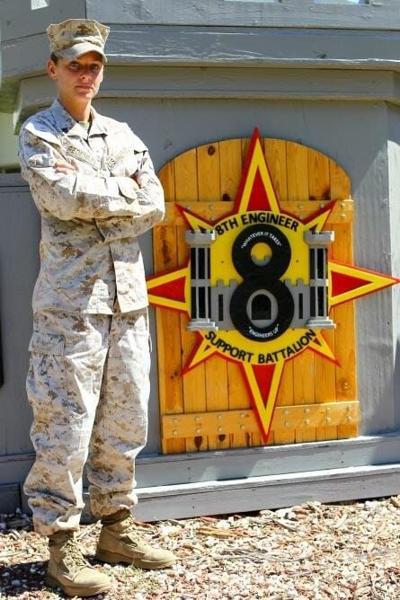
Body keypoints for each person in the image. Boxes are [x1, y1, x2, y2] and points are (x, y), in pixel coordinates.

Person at [18, 18, 175, 598]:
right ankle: (61, 548)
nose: (86, 75)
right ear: (53, 68)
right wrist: (120, 191)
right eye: (75, 65)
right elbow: (58, 198)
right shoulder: (39, 133)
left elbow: (154, 205)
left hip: (126, 303)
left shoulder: (123, 135)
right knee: (63, 426)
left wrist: (93, 188)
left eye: (94, 66)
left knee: (124, 421)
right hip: (71, 307)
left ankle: (116, 531)